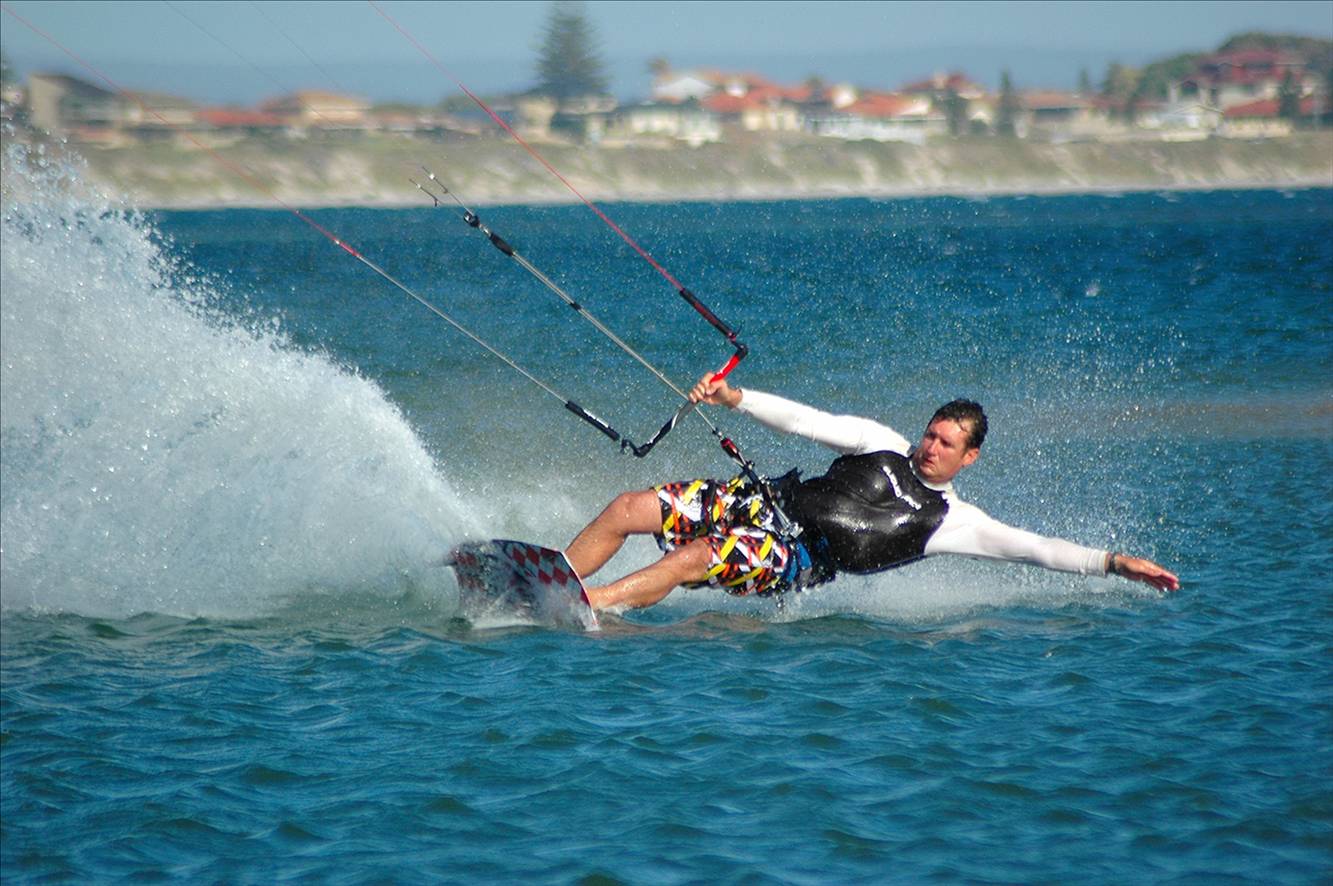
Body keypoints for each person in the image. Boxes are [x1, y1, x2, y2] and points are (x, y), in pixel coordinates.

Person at [566, 375, 1180, 612]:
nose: (930, 447)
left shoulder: (955, 522)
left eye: (946, 444)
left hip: (795, 559)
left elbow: (1037, 549)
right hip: (765, 500)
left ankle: (590, 604)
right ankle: (554, 574)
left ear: (969, 458)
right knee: (629, 507)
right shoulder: (881, 441)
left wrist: (1113, 562)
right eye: (930, 434)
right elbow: (806, 420)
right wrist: (736, 398)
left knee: (694, 558)